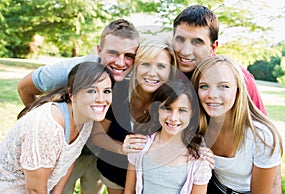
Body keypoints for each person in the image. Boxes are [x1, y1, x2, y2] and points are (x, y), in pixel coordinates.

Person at [16, 19, 140, 194]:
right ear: (99, 50)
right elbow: (23, 87)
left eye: (129, 56)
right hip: (64, 151)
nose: (121, 62)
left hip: (97, 150)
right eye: (113, 53)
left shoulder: (135, 73)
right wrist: (45, 125)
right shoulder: (70, 71)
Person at [172, 5, 284, 192]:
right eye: (180, 39)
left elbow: (267, 147)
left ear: (213, 46)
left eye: (197, 42)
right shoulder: (173, 72)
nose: (185, 50)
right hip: (207, 177)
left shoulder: (237, 79)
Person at [0, 62, 114, 193]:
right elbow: (35, 190)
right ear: (72, 94)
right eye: (91, 91)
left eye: (106, 91)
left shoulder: (86, 117)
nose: (101, 99)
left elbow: (69, 160)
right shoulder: (48, 126)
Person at [91, 37, 178, 194]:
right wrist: (121, 148)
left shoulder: (172, 101)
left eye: (161, 66)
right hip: (113, 171)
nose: (152, 73)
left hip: (150, 180)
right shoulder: (117, 91)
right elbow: (97, 134)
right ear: (136, 66)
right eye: (145, 64)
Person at [191, 55, 282, 193]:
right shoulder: (197, 125)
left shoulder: (261, 136)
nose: (212, 95)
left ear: (238, 90)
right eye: (204, 86)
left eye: (223, 86)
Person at [124, 79, 212, 194]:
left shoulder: (199, 159)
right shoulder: (140, 145)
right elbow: (129, 191)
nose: (173, 118)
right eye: (167, 108)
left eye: (182, 110)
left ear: (192, 113)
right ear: (157, 109)